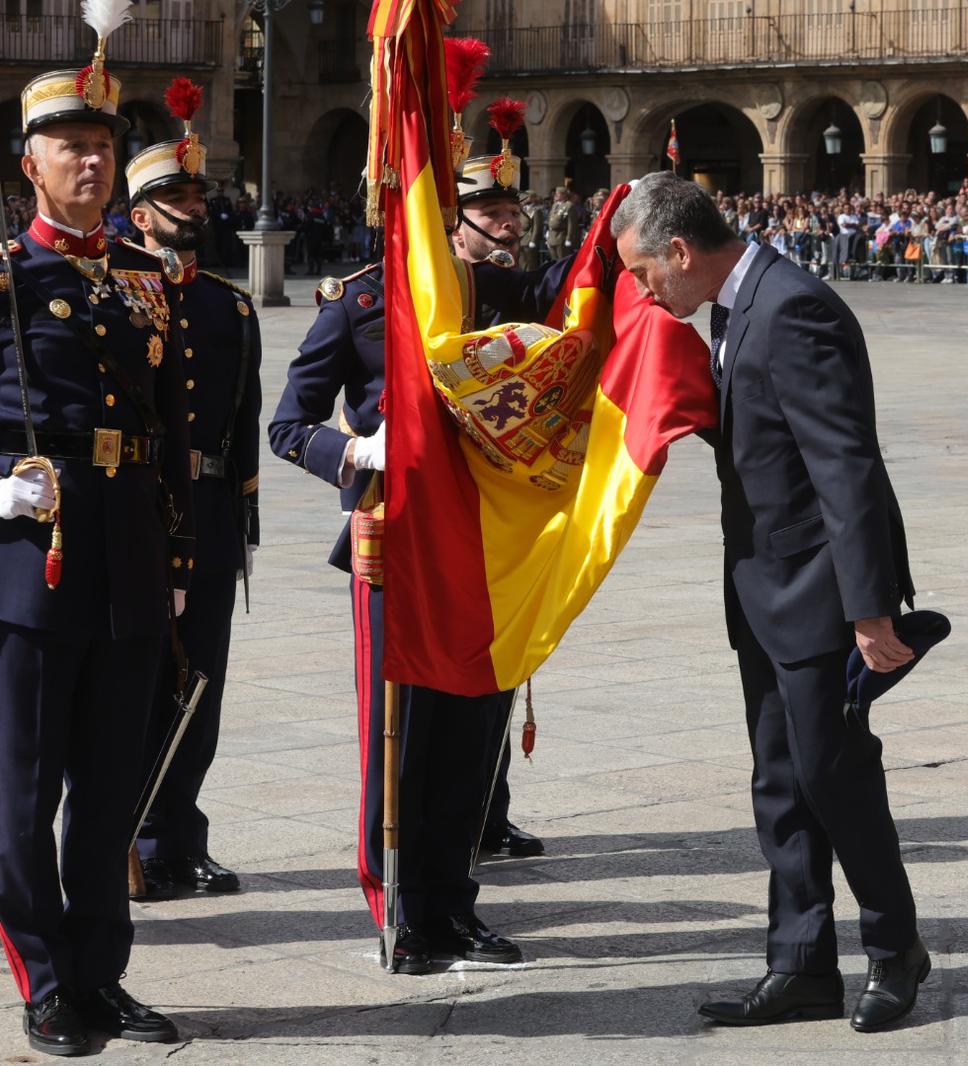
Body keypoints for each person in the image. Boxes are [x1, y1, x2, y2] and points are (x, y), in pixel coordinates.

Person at [612, 172, 929, 1033]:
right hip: (764, 585)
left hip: (818, 589)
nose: (642, 291)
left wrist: (869, 609)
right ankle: (800, 963)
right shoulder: (734, 307)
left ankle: (896, 947)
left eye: (643, 273)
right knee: (781, 783)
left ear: (680, 252)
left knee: (835, 775)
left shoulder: (793, 308)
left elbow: (845, 465)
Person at [268, 152, 565, 974]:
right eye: (487, 207)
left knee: (473, 732)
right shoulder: (361, 299)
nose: (504, 220)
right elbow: (289, 426)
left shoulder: (513, 295)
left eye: (511, 206)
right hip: (394, 537)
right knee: (400, 736)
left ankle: (453, 903)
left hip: (486, 539)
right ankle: (400, 905)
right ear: (446, 216)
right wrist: (360, 447)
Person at [0, 43, 196, 1052]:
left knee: (113, 785)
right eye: (68, 146)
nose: (89, 163)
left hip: (124, 551)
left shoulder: (146, 278)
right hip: (34, 556)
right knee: (26, 789)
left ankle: (100, 973)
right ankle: (43, 980)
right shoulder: (8, 272)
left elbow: (167, 429)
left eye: (101, 147)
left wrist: (177, 566)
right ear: (29, 161)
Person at [123, 81, 262, 900]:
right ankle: (130, 836)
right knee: (134, 683)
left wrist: (242, 515)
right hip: (138, 512)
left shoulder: (228, 307)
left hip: (208, 515)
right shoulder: (116, 293)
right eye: (174, 196)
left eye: (197, 192)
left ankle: (181, 835)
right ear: (140, 213)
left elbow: (240, 422)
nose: (193, 206)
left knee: (199, 683)